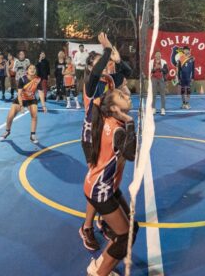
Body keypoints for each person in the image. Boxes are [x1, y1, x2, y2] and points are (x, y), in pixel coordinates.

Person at [79, 33, 132, 253]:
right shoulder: (91, 83)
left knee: (113, 176)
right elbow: (100, 66)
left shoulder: (110, 80)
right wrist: (107, 48)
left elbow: (128, 73)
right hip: (94, 136)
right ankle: (87, 227)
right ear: (90, 67)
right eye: (98, 62)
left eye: (105, 62)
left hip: (111, 134)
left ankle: (104, 219)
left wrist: (117, 59)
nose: (105, 64)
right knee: (98, 179)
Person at [84, 88, 138, 276]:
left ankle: (98, 265)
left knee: (131, 228)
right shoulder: (118, 130)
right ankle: (99, 274)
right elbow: (131, 154)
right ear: (114, 108)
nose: (128, 96)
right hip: (100, 190)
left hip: (104, 186)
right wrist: (131, 123)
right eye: (122, 97)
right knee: (124, 237)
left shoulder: (108, 120)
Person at [0, 64, 41, 144]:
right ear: (27, 71)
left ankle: (32, 135)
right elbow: (19, 94)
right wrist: (21, 106)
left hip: (31, 99)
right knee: (10, 116)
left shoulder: (37, 79)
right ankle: (7, 131)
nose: (32, 70)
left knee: (34, 116)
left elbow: (40, 92)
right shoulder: (22, 79)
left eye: (34, 68)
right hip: (20, 98)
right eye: (30, 68)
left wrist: (43, 105)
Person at [150, 51, 169, 115]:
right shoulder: (151, 62)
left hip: (161, 79)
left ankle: (163, 109)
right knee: (154, 94)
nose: (158, 57)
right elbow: (150, 71)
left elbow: (166, 71)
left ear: (161, 56)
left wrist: (161, 68)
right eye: (157, 55)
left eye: (159, 56)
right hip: (154, 78)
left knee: (162, 94)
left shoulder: (164, 62)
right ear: (155, 56)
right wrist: (155, 68)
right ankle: (153, 108)